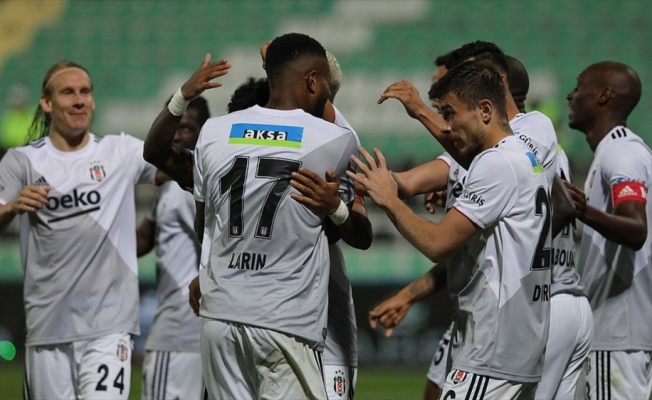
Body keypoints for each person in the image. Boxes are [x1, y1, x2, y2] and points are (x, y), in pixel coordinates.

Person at [143, 33, 359, 400]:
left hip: (222, 314)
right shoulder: (330, 141)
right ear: (312, 81)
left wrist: (212, 265)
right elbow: (353, 232)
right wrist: (334, 209)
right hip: (288, 317)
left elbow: (201, 222)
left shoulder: (216, 135)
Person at [360, 61, 552, 398]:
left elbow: (438, 244)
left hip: (492, 349)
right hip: (519, 346)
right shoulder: (523, 156)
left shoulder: (497, 163)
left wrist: (389, 200)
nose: (446, 126)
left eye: (450, 113)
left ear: (485, 110)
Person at [0, 61, 158, 399]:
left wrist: (180, 101)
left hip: (109, 326)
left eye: (85, 92)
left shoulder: (120, 151)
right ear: (47, 103)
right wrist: (12, 206)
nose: (78, 100)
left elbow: (174, 167)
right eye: (68, 92)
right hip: (48, 328)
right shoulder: (21, 160)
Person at [564, 61, 652, 400]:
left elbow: (636, 228)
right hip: (616, 335)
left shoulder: (622, 151)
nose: (571, 95)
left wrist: (582, 210)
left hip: (617, 334)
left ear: (604, 96)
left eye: (579, 86)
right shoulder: (614, 151)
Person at [136, 96, 210, 400]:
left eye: (187, 128)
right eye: (174, 127)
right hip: (191, 332)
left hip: (179, 332)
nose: (177, 136)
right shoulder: (172, 184)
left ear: (204, 133)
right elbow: (144, 239)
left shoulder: (193, 187)